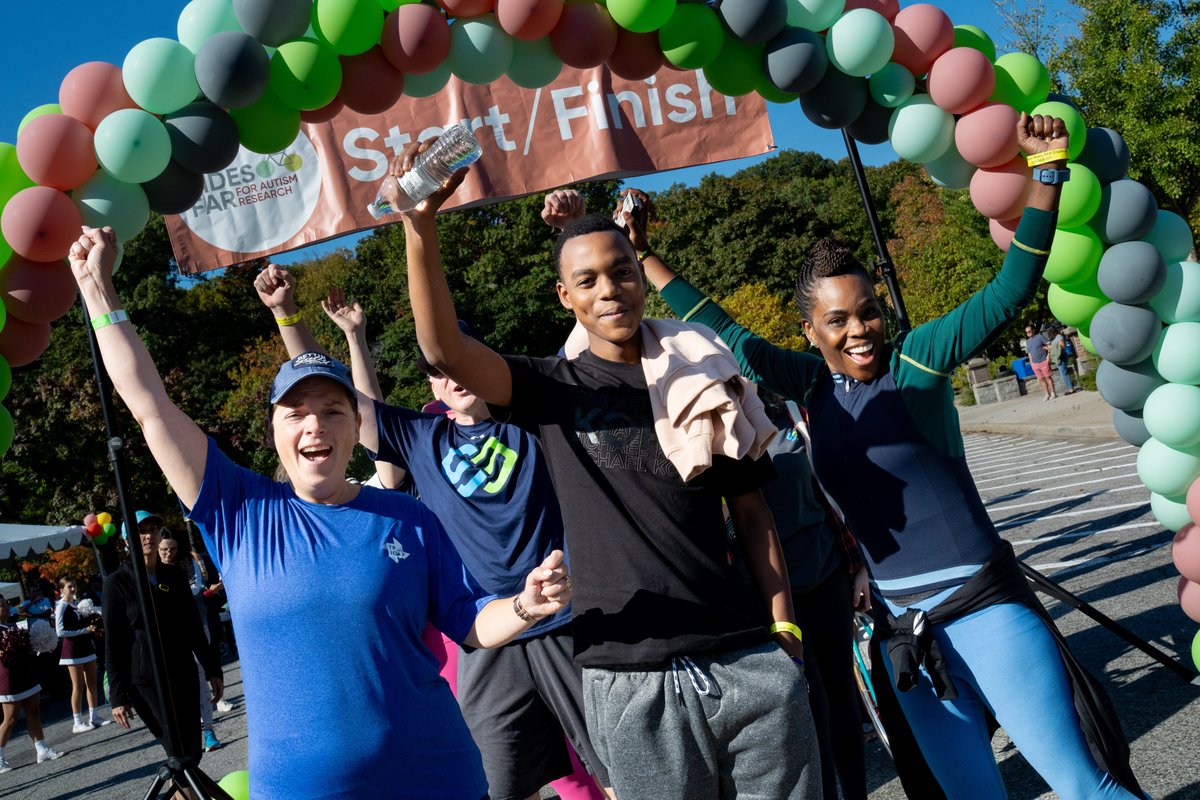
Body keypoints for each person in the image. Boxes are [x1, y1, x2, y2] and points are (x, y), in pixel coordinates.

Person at [650, 114, 1146, 799]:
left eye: (868, 311)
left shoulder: (918, 359)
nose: (860, 330)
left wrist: (1047, 174)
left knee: (1084, 786)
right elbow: (724, 328)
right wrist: (644, 256)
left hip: (984, 610)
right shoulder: (808, 383)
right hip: (903, 631)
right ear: (809, 330)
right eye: (838, 320)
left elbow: (1009, 291)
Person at [69, 225, 573, 800]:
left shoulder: (408, 519)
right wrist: (100, 294)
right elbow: (150, 406)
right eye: (296, 413)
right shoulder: (239, 510)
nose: (315, 425)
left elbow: (472, 622)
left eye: (333, 410)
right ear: (274, 433)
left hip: (441, 778)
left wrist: (527, 605)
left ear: (356, 427)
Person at [387, 144, 820, 799]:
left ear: (640, 279)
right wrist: (419, 228)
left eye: (621, 272)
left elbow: (753, 516)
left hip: (743, 659)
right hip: (628, 677)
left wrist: (783, 630)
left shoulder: (699, 379)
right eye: (587, 280)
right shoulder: (546, 389)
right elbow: (443, 348)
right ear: (565, 296)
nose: (609, 289)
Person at [253, 271, 612, 800]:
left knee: (615, 762)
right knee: (499, 780)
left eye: (456, 362)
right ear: (430, 385)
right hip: (487, 632)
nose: (450, 376)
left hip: (564, 617)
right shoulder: (421, 437)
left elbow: (585, 341)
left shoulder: (532, 419)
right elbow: (334, 397)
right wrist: (288, 316)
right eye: (435, 372)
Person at [103, 512, 222, 770]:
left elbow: (193, 627)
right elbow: (113, 643)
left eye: (153, 529)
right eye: (141, 531)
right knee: (178, 752)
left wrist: (212, 669)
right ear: (127, 540)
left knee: (192, 750)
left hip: (182, 670)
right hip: (146, 679)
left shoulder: (174, 576)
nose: (148, 535)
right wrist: (117, 695)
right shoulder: (116, 583)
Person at [157, 535, 222, 753]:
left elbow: (198, 587)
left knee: (200, 677)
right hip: (165, 636)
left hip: (196, 625)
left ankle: (209, 730)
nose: (168, 554)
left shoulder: (188, 563)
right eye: (164, 549)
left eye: (173, 549)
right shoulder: (148, 571)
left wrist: (179, 592)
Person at [0, 600, 61, 771]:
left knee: (33, 711)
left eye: (5, 604)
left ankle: (42, 749)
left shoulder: (12, 626)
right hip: (9, 678)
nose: (6, 607)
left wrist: (37, 646)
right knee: (10, 719)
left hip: (26, 673)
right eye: (1, 605)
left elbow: (23, 649)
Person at [54, 575, 108, 733]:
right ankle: (77, 722)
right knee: (78, 686)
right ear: (61, 590)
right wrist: (84, 630)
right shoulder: (62, 606)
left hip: (86, 647)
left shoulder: (76, 604)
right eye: (69, 586)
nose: (72, 588)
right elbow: (60, 631)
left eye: (74, 585)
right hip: (72, 650)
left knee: (92, 681)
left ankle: (95, 716)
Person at [1025, 322, 1056, 400]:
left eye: (1030, 331)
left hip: (1044, 361)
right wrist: (1031, 363)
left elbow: (1049, 345)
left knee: (1048, 377)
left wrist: (1048, 356)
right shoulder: (1027, 341)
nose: (1028, 333)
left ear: (1033, 330)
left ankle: (1053, 393)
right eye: (1027, 332)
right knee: (1041, 379)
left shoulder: (1039, 337)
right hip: (1035, 364)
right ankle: (1047, 394)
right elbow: (1029, 353)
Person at [1048, 324, 1080, 395]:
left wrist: (1053, 348)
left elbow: (1062, 346)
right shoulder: (1053, 339)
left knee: (1063, 373)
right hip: (1058, 357)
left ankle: (1071, 389)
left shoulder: (1059, 336)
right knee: (1064, 373)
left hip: (1061, 356)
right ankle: (1070, 387)